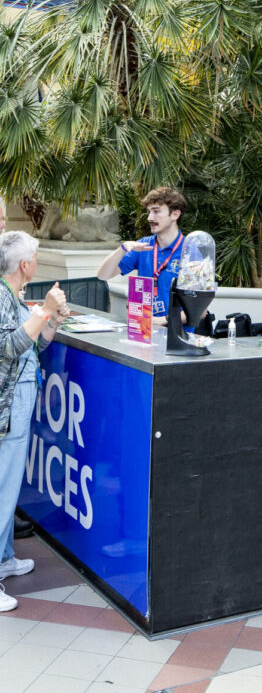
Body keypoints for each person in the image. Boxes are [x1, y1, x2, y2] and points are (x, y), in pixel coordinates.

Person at [0, 231, 68, 612]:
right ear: (25, 265)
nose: (38, 262)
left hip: (19, 403)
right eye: (36, 257)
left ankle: (5, 557)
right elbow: (7, 346)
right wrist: (44, 309)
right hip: (7, 406)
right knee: (3, 488)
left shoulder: (13, 296)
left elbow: (34, 345)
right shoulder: (1, 296)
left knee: (8, 488)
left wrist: (51, 318)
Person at [97, 187, 188, 325]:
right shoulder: (143, 246)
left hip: (179, 338)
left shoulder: (190, 251)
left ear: (175, 214)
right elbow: (102, 275)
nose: (150, 218)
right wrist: (122, 249)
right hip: (145, 333)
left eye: (156, 211)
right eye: (149, 212)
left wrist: (160, 321)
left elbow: (199, 311)